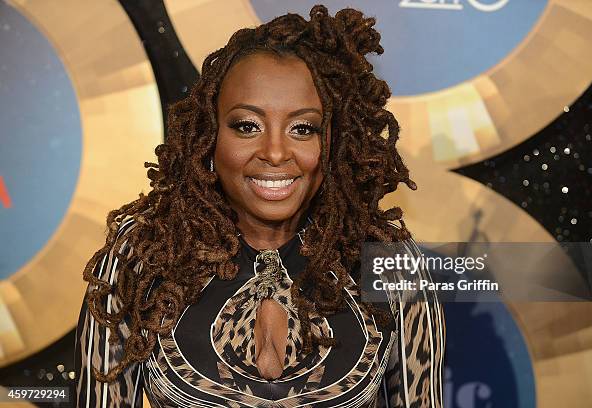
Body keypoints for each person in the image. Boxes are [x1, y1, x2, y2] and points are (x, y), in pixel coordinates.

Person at [75, 4, 445, 407]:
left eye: (303, 128)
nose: (274, 152)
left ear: (335, 142)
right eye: (247, 125)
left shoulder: (386, 260)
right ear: (209, 136)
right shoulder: (144, 254)